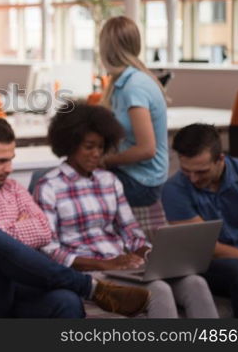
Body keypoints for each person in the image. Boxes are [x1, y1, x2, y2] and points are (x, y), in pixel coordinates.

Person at [0, 116, 150, 318]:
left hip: (20, 286)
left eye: (11, 159)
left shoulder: (14, 189)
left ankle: (88, 290)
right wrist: (6, 230)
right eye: (1, 161)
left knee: (67, 301)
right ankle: (90, 288)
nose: (9, 168)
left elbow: (44, 231)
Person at [34, 104, 218, 318]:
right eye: (89, 147)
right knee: (158, 291)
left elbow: (131, 233)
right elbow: (50, 250)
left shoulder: (109, 181)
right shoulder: (49, 186)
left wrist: (152, 256)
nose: (96, 154)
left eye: (101, 147)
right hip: (89, 273)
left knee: (195, 283)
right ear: (70, 144)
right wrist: (106, 263)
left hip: (124, 267)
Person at [162, 123, 238, 318]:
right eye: (186, 170)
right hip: (205, 265)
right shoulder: (174, 190)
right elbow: (209, 248)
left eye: (201, 171)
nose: (193, 178)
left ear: (220, 159)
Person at [98, 16, 168, 207]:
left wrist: (105, 161)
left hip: (143, 183)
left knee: (60, 186)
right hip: (133, 174)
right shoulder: (123, 82)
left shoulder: (134, 87)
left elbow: (147, 149)